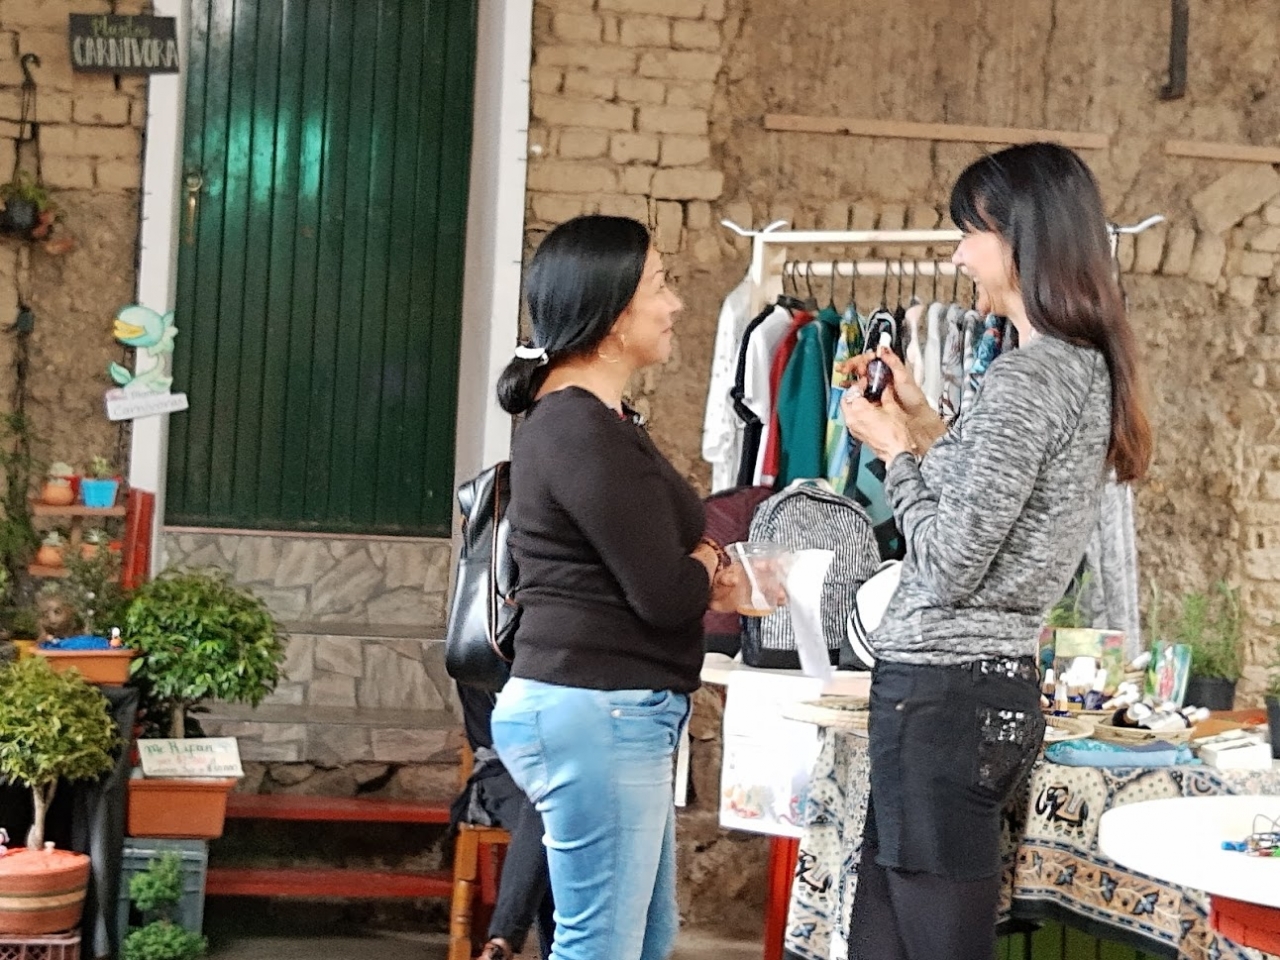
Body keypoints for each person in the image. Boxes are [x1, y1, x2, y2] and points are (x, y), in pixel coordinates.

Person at [838, 142, 1153, 960]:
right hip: (984, 692)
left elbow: (947, 561)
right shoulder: (1077, 370)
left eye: (969, 234)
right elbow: (994, 510)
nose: (958, 256)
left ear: (1021, 238)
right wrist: (918, 424)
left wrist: (891, 452)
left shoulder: (1029, 377)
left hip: (943, 699)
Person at [488, 215, 740, 960]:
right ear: (611, 312)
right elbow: (663, 593)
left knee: (641, 943)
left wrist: (704, 575)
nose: (676, 306)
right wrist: (707, 551)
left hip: (611, 711)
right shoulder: (577, 428)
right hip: (598, 712)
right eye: (660, 286)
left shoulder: (592, 421)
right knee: (601, 949)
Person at [449, 683, 555, 960]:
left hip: (561, 774)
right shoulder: (482, 648)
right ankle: (507, 942)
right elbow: (491, 741)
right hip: (502, 773)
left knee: (555, 804)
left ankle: (502, 943)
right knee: (551, 807)